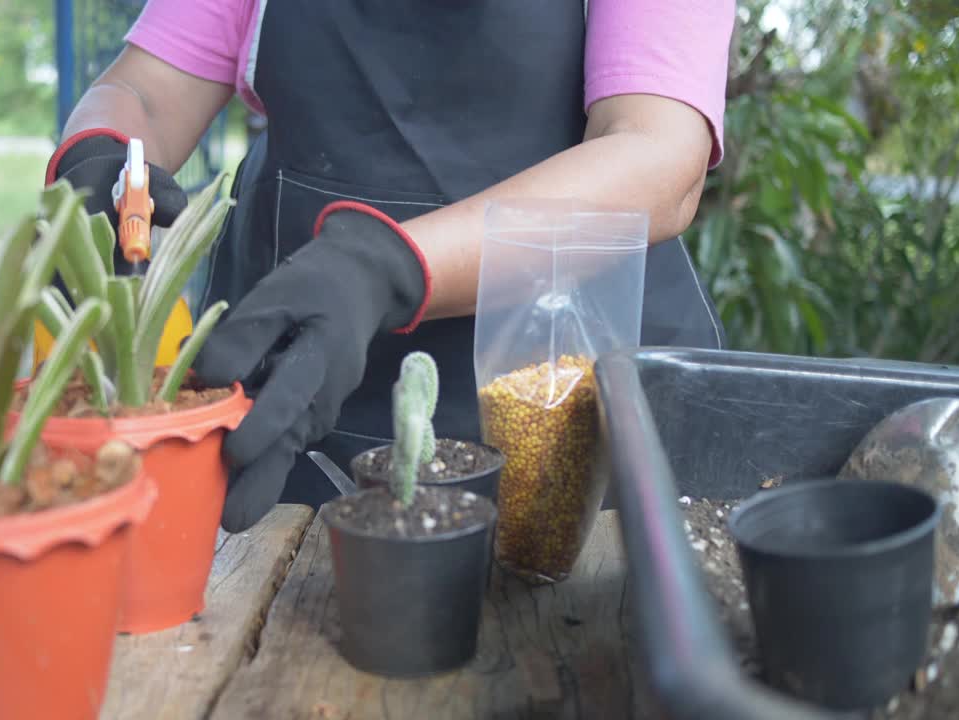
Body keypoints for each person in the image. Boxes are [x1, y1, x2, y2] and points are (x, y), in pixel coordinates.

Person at [45, 0, 736, 533]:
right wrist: (100, 154)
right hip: (300, 398)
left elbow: (656, 154)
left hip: (573, 411)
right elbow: (146, 89)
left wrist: (389, 267)